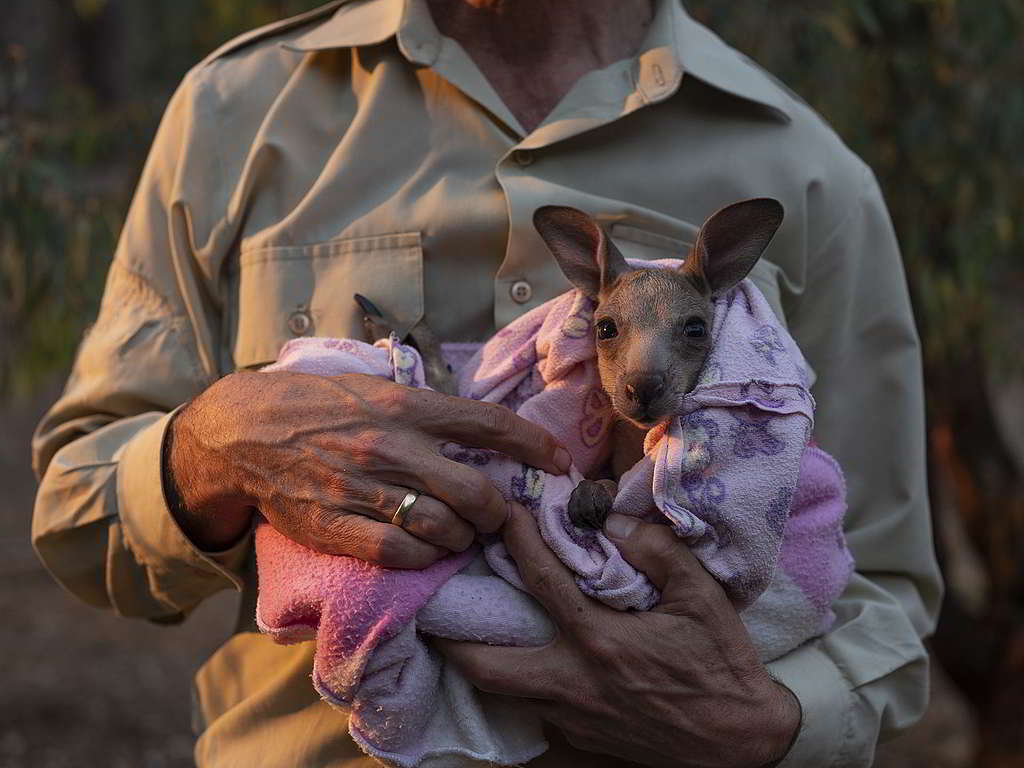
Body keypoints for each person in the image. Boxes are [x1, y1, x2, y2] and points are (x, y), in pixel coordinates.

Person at [31, 0, 942, 765]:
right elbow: (78, 515)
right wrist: (213, 447)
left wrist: (773, 721)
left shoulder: (806, 168)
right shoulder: (237, 111)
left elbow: (884, 590)